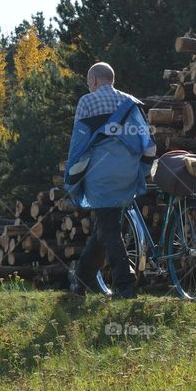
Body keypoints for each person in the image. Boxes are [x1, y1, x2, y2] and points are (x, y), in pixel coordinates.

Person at [64, 62, 156, 298]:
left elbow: (79, 143)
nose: (88, 86)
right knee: (104, 230)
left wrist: (72, 177)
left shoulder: (87, 102)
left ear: (94, 81)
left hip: (101, 177)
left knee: (111, 231)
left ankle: (125, 287)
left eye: (88, 82)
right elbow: (147, 142)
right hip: (128, 173)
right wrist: (143, 170)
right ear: (111, 79)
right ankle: (81, 283)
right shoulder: (130, 102)